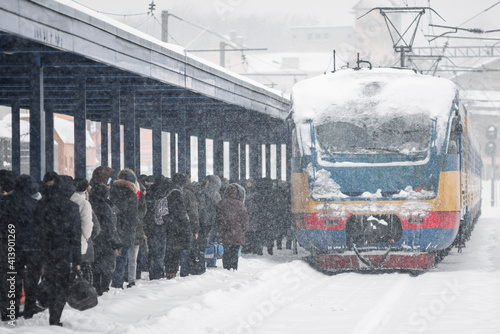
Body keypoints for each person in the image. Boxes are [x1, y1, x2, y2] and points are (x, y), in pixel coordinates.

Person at [36, 174, 81, 326]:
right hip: (63, 253)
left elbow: (37, 228)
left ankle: (44, 304)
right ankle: (55, 318)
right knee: (60, 286)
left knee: (48, 280)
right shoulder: (72, 208)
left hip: (44, 251)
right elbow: (75, 236)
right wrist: (77, 261)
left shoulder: (42, 204)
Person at [0, 175, 43, 321]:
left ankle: (10, 310)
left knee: (12, 278)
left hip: (11, 246)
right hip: (33, 247)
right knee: (32, 279)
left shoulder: (5, 202)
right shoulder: (37, 204)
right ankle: (30, 309)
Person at [110, 169, 139, 289]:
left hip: (113, 230)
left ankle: (115, 282)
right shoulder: (132, 195)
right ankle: (117, 284)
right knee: (123, 260)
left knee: (116, 259)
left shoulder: (112, 191)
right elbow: (132, 217)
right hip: (126, 231)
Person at [90, 183, 121, 296]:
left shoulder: (90, 205)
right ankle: (104, 289)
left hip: (93, 241)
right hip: (105, 242)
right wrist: (116, 243)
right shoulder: (106, 207)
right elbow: (110, 227)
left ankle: (97, 287)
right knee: (107, 267)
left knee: (95, 266)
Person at [164, 173, 192, 279]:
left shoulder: (167, 190)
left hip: (167, 224)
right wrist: (186, 225)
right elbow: (180, 212)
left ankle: (169, 271)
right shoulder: (176, 193)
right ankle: (172, 273)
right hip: (175, 226)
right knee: (175, 250)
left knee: (170, 250)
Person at [216, 183, 249, 270]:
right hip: (237, 233)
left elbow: (217, 218)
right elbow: (245, 218)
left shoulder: (221, 203)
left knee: (226, 252)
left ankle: (226, 267)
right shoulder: (240, 204)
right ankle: (234, 268)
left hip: (225, 231)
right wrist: (243, 229)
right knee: (234, 252)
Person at [71, 178, 95, 285]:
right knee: (82, 268)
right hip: (79, 241)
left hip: (66, 242)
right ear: (85, 190)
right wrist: (87, 236)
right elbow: (87, 225)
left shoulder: (69, 199)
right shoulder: (84, 203)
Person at [197, 175, 222, 268]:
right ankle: (211, 261)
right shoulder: (216, 194)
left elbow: (200, 208)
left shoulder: (201, 192)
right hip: (213, 222)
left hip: (202, 221)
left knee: (202, 242)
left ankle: (202, 260)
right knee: (212, 242)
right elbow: (219, 208)